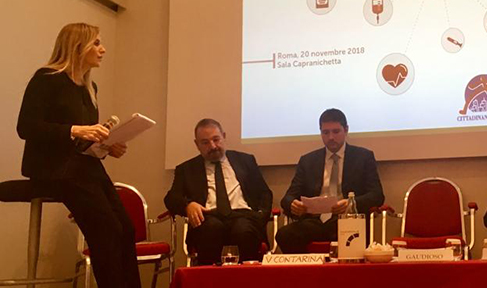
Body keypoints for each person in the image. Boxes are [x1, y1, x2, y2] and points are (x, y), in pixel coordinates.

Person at [16, 23, 139, 288]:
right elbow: (26, 127)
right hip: (54, 169)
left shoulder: (89, 88)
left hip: (84, 167)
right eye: (96, 43)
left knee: (126, 229)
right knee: (107, 229)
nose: (103, 50)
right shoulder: (46, 79)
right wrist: (74, 130)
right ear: (78, 46)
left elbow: (84, 141)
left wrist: (106, 146)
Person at [165, 118, 273, 265]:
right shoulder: (187, 169)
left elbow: (265, 193)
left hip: (243, 216)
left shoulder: (245, 161)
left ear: (224, 136)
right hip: (209, 217)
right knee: (212, 229)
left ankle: (247, 277)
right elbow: (171, 198)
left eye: (216, 139)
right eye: (205, 142)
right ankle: (210, 277)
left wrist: (260, 217)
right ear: (197, 144)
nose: (213, 146)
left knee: (243, 230)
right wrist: (187, 205)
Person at [275, 108, 384, 253]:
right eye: (326, 132)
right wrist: (293, 205)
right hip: (314, 221)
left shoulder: (363, 157)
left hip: (347, 220)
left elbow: (377, 195)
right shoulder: (308, 161)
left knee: (349, 232)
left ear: (346, 130)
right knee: (284, 234)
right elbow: (288, 197)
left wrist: (350, 203)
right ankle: (307, 267)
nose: (331, 137)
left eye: (336, 131)